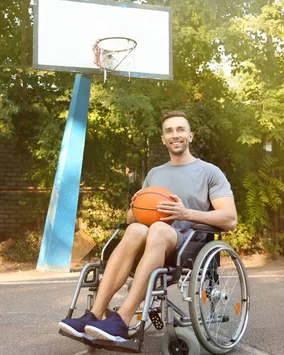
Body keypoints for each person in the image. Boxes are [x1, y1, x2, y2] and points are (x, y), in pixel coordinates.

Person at [59, 110, 237, 342]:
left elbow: (230, 219)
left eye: (180, 129)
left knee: (159, 229)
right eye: (169, 131)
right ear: (163, 139)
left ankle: (123, 319)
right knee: (134, 229)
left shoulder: (209, 172)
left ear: (190, 136)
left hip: (188, 243)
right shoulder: (155, 174)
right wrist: (134, 208)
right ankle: (94, 314)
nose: (175, 135)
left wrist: (186, 213)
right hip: (150, 241)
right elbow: (134, 219)